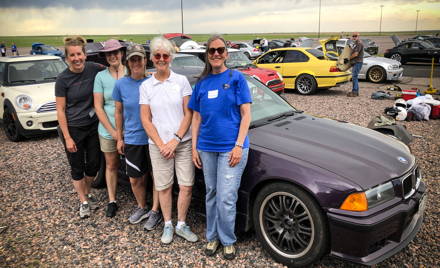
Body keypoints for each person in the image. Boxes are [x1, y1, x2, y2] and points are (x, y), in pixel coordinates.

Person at [188, 34, 252, 260]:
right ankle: (212, 237)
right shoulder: (202, 83)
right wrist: (194, 147)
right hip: (206, 148)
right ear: (207, 55)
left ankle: (228, 240)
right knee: (212, 193)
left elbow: (246, 115)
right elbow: (196, 118)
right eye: (211, 50)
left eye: (220, 50)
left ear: (226, 53)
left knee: (226, 196)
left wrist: (237, 146)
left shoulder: (237, 79)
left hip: (231, 148)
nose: (216, 54)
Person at [139, 36, 197, 244]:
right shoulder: (146, 86)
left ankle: (181, 223)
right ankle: (168, 224)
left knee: (186, 185)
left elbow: (188, 114)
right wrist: (162, 144)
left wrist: (175, 140)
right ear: (152, 59)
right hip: (158, 146)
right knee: (163, 187)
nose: (162, 59)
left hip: (182, 142)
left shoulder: (181, 81)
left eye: (165, 55)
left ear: (170, 58)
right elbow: (145, 119)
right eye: (158, 55)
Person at [112, 44, 162, 229]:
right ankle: (142, 206)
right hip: (132, 138)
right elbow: (118, 112)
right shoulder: (120, 85)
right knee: (135, 178)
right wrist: (119, 137)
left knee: (156, 176)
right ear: (127, 62)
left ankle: (156, 211)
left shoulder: (152, 82)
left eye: (139, 59)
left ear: (145, 60)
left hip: (153, 139)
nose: (136, 63)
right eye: (132, 59)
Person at [55, 36, 105, 219]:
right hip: (73, 128)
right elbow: (60, 110)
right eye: (72, 55)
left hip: (92, 125)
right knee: (77, 167)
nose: (76, 58)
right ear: (67, 58)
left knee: (93, 164)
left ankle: (87, 191)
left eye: (79, 54)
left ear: (84, 54)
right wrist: (67, 137)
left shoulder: (93, 69)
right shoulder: (62, 79)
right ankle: (83, 201)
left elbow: (112, 73)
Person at [93, 39, 126, 218]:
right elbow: (98, 106)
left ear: (121, 53)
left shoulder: (130, 71)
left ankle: (142, 201)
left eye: (116, 52)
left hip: (131, 129)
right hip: (108, 129)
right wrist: (114, 133)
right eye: (109, 53)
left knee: (138, 166)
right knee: (112, 164)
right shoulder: (100, 77)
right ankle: (112, 200)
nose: (113, 56)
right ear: (105, 56)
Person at [347, 32, 364, 97]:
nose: (354, 37)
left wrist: (348, 59)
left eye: (355, 36)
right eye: (353, 36)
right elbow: (351, 48)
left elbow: (356, 54)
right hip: (356, 62)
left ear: (358, 36)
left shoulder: (359, 44)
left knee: (354, 77)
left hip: (358, 62)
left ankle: (355, 91)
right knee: (354, 77)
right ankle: (355, 91)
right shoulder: (356, 43)